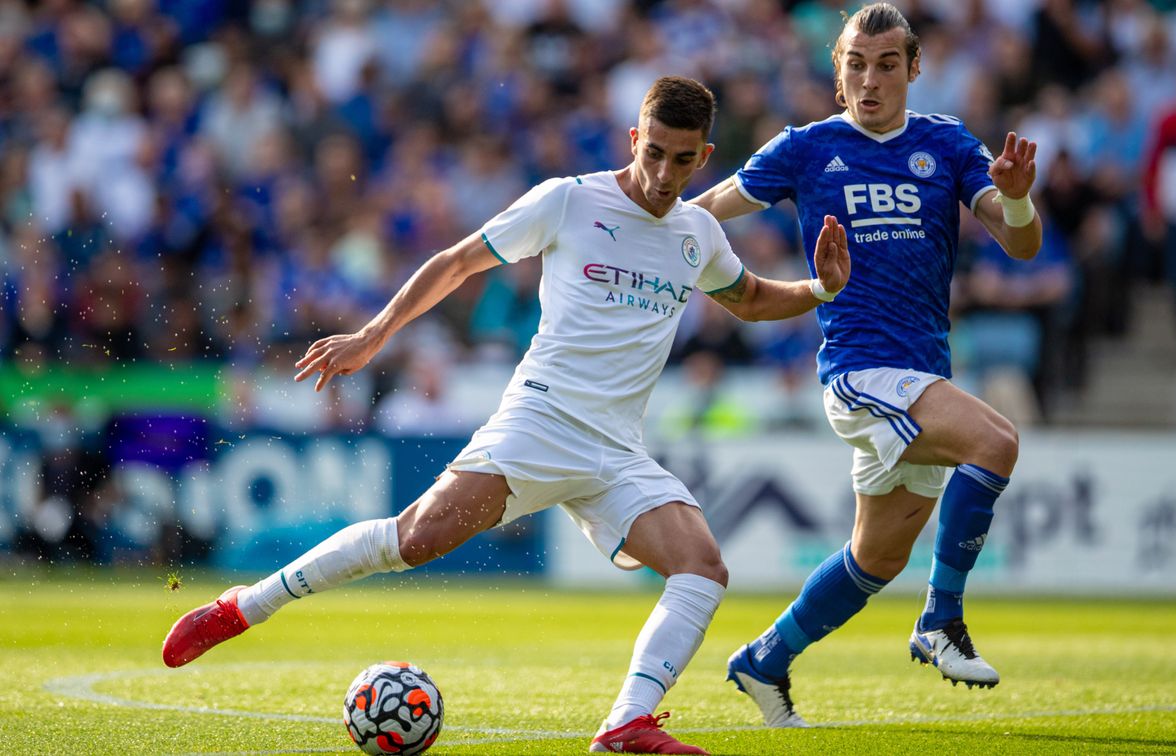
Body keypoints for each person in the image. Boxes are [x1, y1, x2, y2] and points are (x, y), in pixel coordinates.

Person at [161, 76, 851, 755]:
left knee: (702, 567)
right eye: (655, 153)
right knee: (416, 540)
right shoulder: (570, 201)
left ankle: (625, 726)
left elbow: (752, 299)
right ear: (635, 139)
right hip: (541, 422)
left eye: (682, 159)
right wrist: (375, 333)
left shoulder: (698, 232)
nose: (665, 173)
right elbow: (458, 262)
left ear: (704, 158)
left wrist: (820, 286)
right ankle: (242, 607)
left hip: (617, 450)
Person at [692, 3, 1041, 727]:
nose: (870, 79)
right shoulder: (806, 148)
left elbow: (1021, 246)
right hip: (859, 373)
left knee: (874, 561)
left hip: (920, 375)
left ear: (915, 69)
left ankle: (764, 660)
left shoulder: (945, 145)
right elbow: (706, 209)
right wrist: (643, 219)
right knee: (997, 441)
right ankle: (941, 620)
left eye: (887, 64)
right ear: (837, 71)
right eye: (856, 64)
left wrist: (1016, 198)